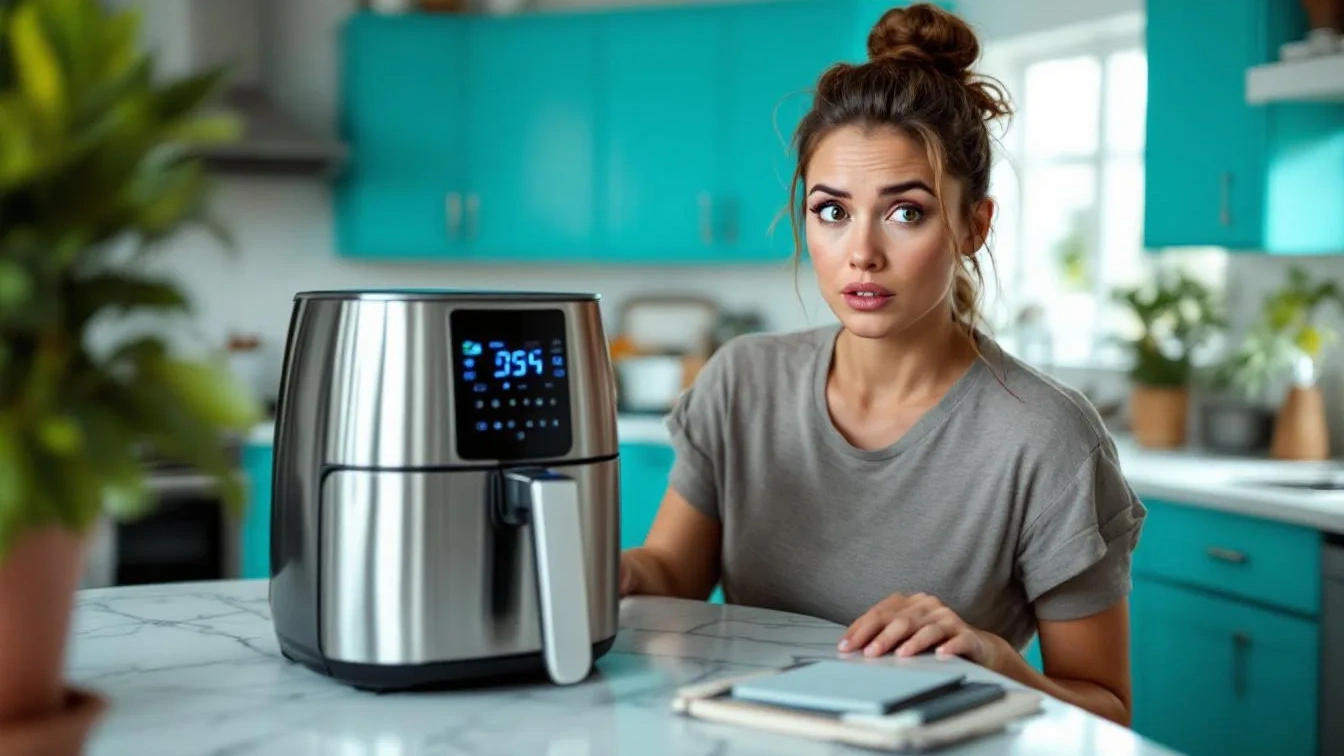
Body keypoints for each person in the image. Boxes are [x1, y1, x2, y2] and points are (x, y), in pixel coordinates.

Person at [616, 2, 1146, 727]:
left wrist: (997, 661)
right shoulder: (741, 382)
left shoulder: (1047, 439)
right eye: (833, 211)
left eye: (907, 212)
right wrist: (604, 568)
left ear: (972, 225)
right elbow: (672, 575)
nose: (862, 251)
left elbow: (1108, 711)